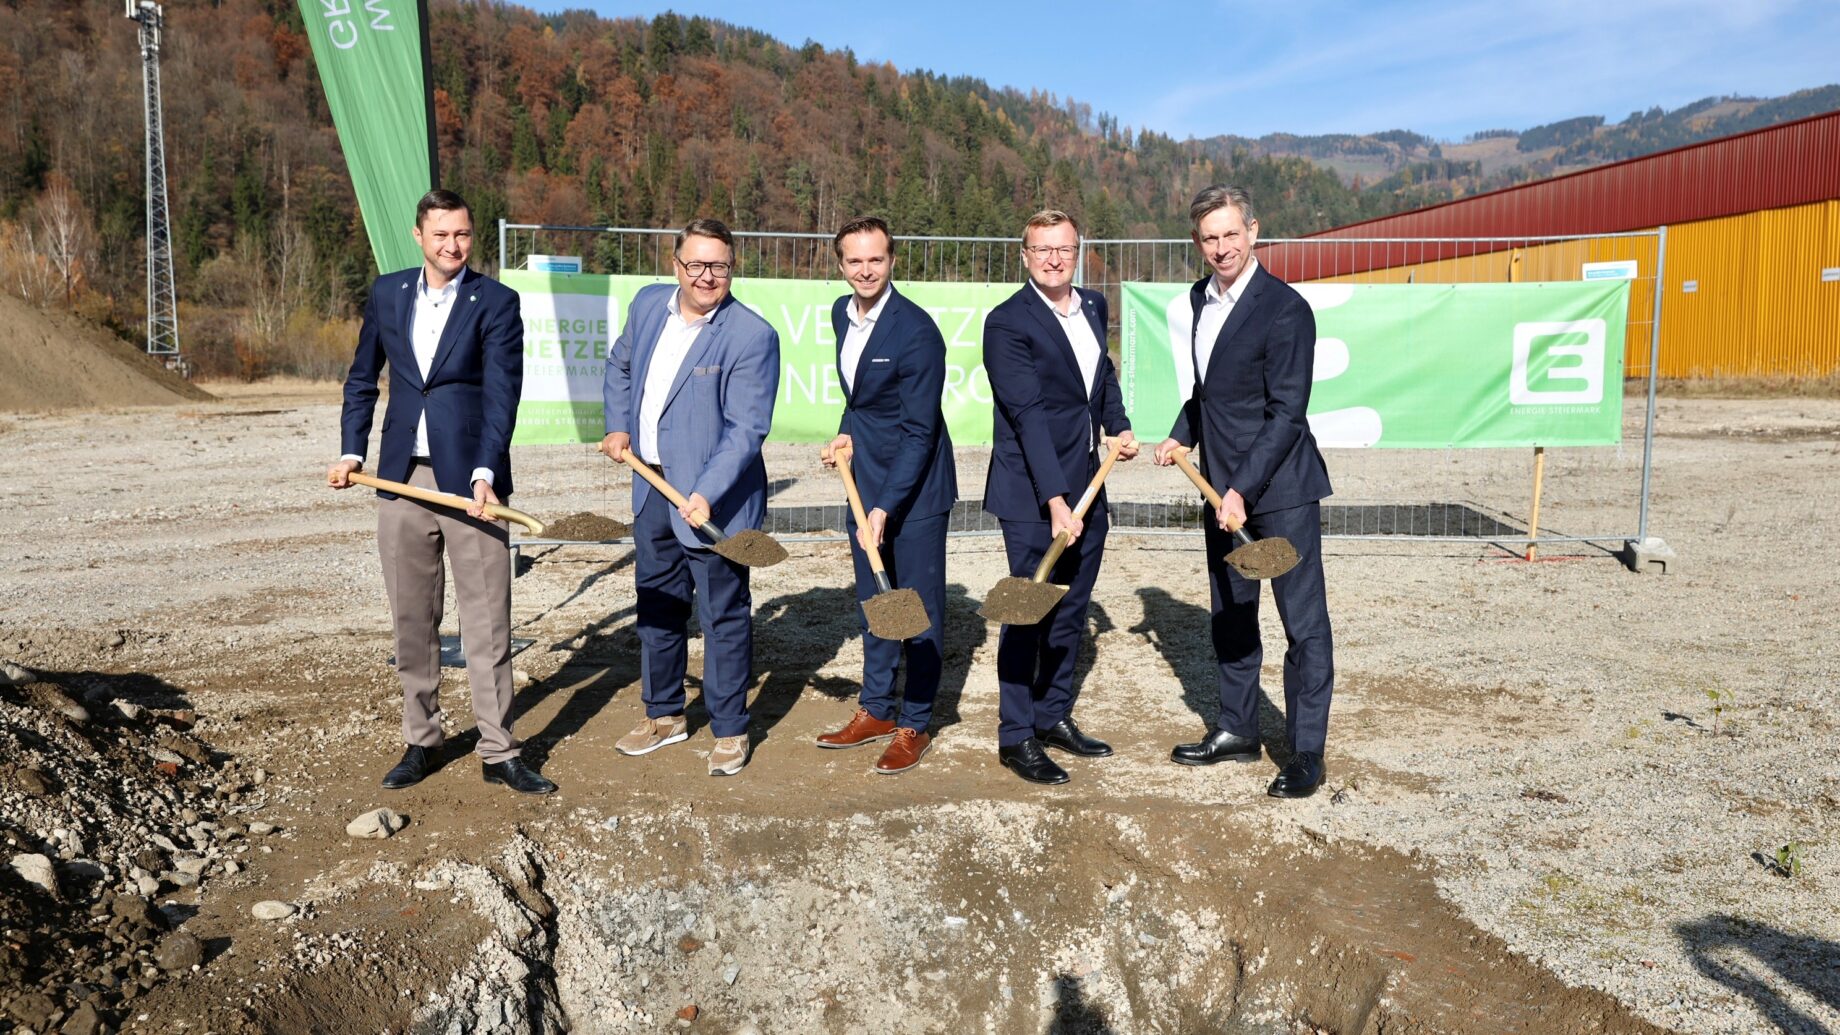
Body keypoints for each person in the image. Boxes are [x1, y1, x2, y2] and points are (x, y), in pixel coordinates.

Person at [327, 188, 555, 796]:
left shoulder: (497, 302)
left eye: (462, 235)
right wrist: (353, 449)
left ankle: (498, 749)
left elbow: (503, 395)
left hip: (471, 483)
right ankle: (422, 741)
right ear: (418, 236)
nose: (453, 246)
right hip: (399, 477)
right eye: (441, 236)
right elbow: (361, 378)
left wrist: (487, 470)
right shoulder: (387, 293)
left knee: (487, 623)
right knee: (412, 619)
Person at [1152, 184, 1335, 799]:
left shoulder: (1285, 309)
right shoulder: (1201, 303)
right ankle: (1237, 729)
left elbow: (1287, 413)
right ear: (1198, 243)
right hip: (1219, 492)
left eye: (1232, 234)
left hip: (1277, 494)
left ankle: (1306, 751)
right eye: (1210, 237)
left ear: (1253, 232)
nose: (1222, 247)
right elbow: (1207, 393)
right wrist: (1181, 437)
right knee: (1233, 614)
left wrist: (1243, 489)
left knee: (1301, 623)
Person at [600, 219, 780, 777]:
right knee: (657, 602)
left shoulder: (752, 335)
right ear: (675, 265)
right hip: (649, 484)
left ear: (732, 268)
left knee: (722, 613)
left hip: (712, 500)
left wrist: (705, 492)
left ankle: (729, 729)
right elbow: (620, 365)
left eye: (719, 266)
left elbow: (746, 429)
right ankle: (664, 714)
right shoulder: (649, 305)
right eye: (696, 264)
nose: (707, 276)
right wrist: (617, 425)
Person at [982, 209, 1138, 785]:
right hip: (1031, 492)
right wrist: (1054, 500)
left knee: (1071, 609)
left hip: (1088, 484)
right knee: (1026, 612)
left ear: (1078, 252)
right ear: (1024, 256)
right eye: (1041, 249)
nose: (1053, 258)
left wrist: (1117, 426)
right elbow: (1025, 415)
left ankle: (1052, 716)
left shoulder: (1094, 307)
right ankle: (1016, 735)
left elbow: (1102, 380)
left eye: (1064, 248)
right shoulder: (1006, 323)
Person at [816, 217, 957, 775]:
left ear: (892, 260)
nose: (865, 270)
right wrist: (845, 433)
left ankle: (915, 722)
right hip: (864, 478)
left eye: (875, 259)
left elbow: (920, 430)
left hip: (915, 487)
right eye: (855, 261)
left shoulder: (917, 331)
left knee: (916, 608)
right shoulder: (840, 315)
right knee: (877, 599)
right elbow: (862, 400)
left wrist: (884, 507)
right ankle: (875, 708)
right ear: (841, 265)